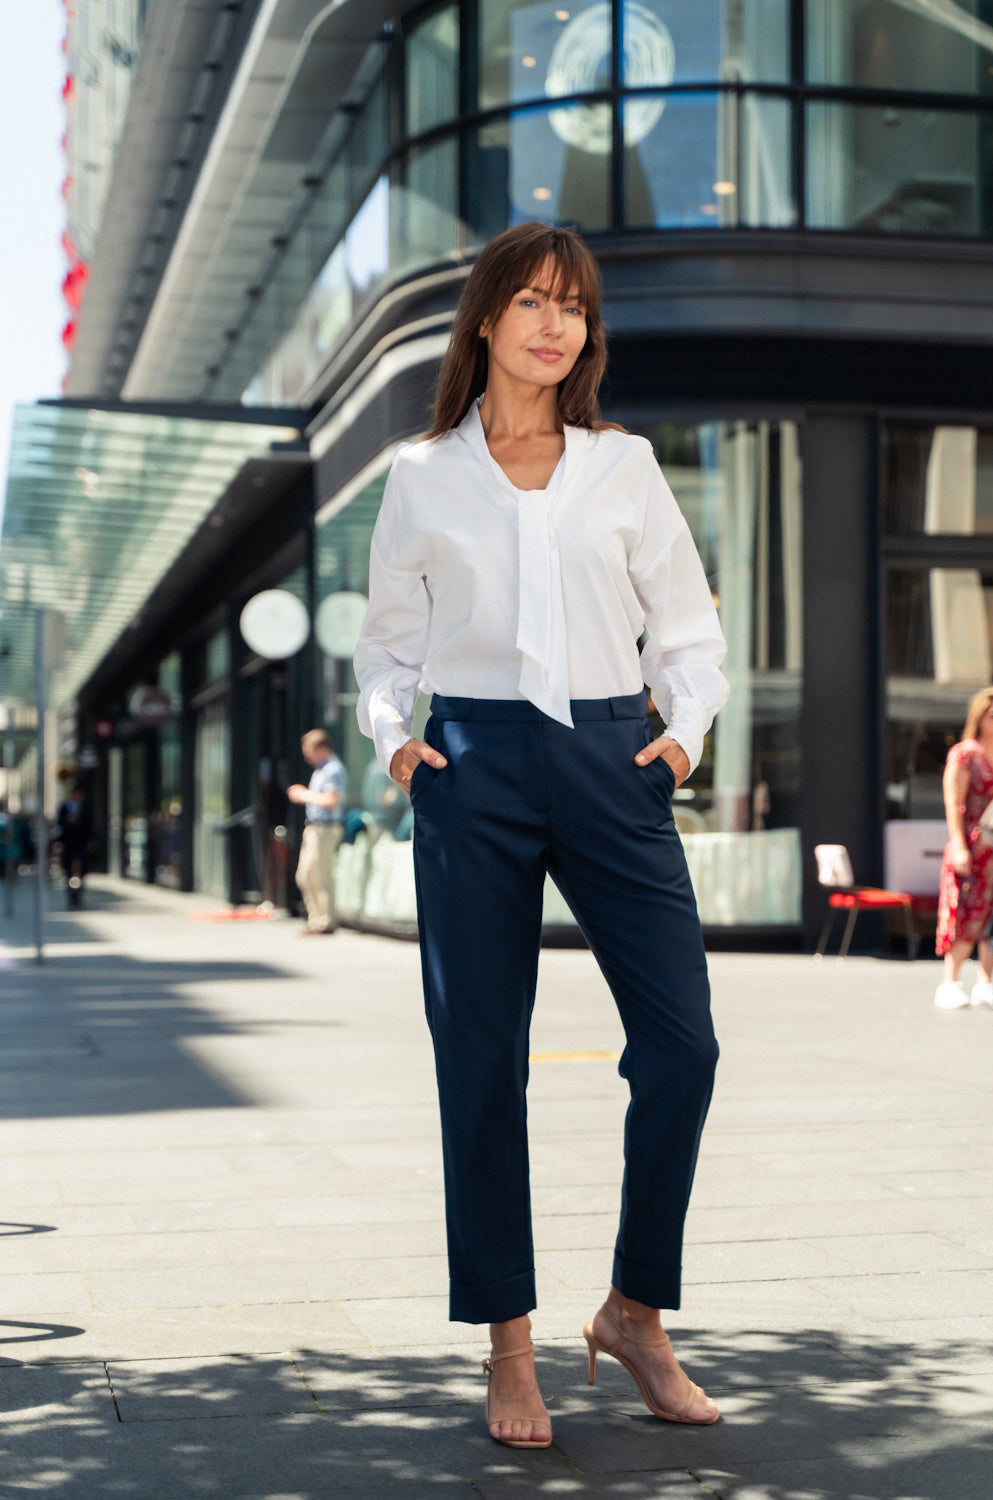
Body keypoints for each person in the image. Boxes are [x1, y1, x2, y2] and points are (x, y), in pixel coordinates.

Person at [354, 222, 729, 1448]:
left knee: (682, 1044)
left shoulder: (623, 468)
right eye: (527, 301)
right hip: (474, 764)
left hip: (613, 756)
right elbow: (386, 644)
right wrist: (395, 738)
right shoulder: (421, 475)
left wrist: (682, 733)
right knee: (480, 1058)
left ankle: (633, 1310)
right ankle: (508, 1348)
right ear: (484, 321)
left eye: (570, 304)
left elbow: (686, 626)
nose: (552, 322)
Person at [935, 686, 993, 1010]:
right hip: (974, 846)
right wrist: (958, 844)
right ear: (980, 717)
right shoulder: (966, 753)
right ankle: (950, 981)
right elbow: (952, 802)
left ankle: (986, 982)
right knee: (966, 910)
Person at [287, 729, 346, 934]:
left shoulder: (332, 770)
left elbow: (331, 800)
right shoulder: (321, 770)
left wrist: (304, 795)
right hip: (313, 827)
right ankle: (316, 920)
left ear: (321, 748)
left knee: (320, 875)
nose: (306, 756)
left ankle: (325, 921)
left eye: (309, 750)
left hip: (325, 828)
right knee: (305, 874)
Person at [56, 785, 94, 908]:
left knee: (82, 868)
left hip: (81, 843)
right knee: (67, 869)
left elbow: (90, 826)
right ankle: (71, 896)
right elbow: (60, 824)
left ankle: (78, 895)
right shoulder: (65, 808)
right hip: (68, 844)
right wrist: (68, 821)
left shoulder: (86, 809)